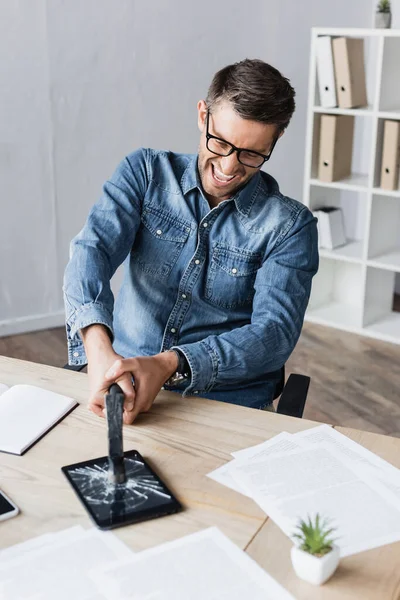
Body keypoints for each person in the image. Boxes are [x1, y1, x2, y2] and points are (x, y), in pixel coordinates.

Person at [63, 58, 319, 425]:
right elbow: (92, 252)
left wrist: (170, 364)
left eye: (251, 153)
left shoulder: (291, 226)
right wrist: (99, 350)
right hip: (123, 382)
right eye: (221, 143)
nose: (229, 168)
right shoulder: (144, 174)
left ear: (276, 139)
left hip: (228, 403)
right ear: (203, 115)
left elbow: (273, 333)